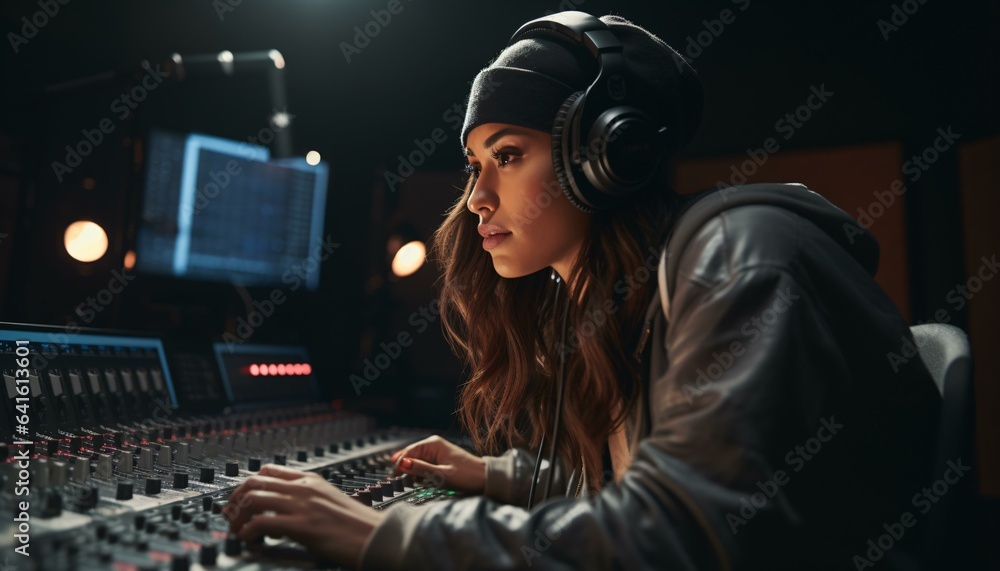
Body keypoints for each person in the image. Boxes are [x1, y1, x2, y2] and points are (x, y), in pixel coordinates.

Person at [223, 11, 942, 570]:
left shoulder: (739, 261)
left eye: (507, 155)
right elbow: (649, 481)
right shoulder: (637, 290)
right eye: (474, 163)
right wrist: (498, 474)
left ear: (607, 157)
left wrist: (384, 534)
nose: (476, 197)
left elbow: (681, 535)